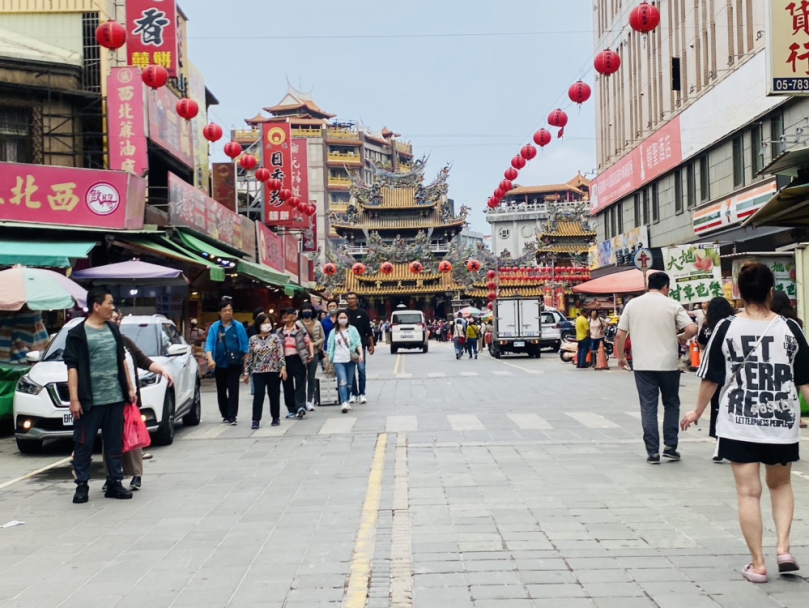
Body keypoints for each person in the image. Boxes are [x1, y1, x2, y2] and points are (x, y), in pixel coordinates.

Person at [681, 263, 809, 583]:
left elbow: (711, 378)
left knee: (748, 493)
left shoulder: (725, 327)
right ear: (770, 292)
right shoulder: (791, 329)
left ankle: (758, 563)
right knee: (780, 485)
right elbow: (806, 381)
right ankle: (783, 548)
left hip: (739, 421)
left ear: (738, 292)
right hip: (781, 421)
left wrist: (696, 412)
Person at [64, 287, 137, 504]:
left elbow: (122, 359)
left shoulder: (113, 330)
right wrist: (74, 399)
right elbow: (72, 368)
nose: (113, 308)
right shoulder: (76, 334)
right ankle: (82, 485)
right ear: (96, 306)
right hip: (89, 401)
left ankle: (114, 482)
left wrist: (130, 388)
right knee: (83, 444)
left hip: (115, 398)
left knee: (114, 443)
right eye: (109, 303)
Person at [616, 272, 697, 464]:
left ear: (648, 285)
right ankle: (670, 446)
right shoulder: (672, 304)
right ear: (665, 287)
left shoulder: (633, 304)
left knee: (648, 408)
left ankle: (652, 452)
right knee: (671, 403)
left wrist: (621, 357)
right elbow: (692, 329)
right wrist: (682, 338)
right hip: (668, 364)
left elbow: (620, 334)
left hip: (643, 365)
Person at [109, 308, 173, 490]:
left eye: (118, 318)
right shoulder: (102, 343)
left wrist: (162, 370)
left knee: (133, 436)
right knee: (111, 439)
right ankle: (112, 476)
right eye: (113, 318)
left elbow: (143, 360)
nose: (117, 322)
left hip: (131, 399)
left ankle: (136, 474)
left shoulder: (126, 342)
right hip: (111, 399)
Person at [696, 296, 736, 460]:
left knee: (718, 406)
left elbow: (701, 343)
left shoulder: (708, 326)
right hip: (734, 372)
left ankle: (719, 443)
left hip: (715, 371)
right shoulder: (734, 324)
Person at [205, 300, 249, 426]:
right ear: (220, 313)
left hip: (235, 364)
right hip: (219, 364)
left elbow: (246, 347)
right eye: (225, 311)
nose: (228, 313)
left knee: (234, 389)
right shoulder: (215, 327)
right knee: (221, 390)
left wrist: (246, 368)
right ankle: (224, 414)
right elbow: (209, 343)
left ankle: (232, 416)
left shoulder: (238, 327)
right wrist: (210, 358)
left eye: (230, 310)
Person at [244, 316, 286, 429]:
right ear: (259, 325)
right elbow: (249, 356)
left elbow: (280, 353)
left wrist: (283, 368)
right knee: (258, 395)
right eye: (264, 322)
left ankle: (275, 417)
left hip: (273, 370)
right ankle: (256, 419)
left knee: (274, 394)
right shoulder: (253, 339)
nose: (267, 325)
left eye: (268, 322)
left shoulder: (275, 338)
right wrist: (246, 372)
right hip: (258, 371)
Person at [277, 307, 315, 419]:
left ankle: (300, 407)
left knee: (300, 384)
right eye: (284, 314)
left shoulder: (300, 330)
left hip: (298, 359)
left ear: (294, 317)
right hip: (285, 361)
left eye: (288, 314)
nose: (285, 316)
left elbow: (309, 343)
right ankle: (291, 409)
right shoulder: (279, 331)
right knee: (287, 385)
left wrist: (311, 354)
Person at [326, 310, 364, 413]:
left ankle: (347, 398)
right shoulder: (333, 332)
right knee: (342, 381)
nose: (342, 319)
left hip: (350, 359)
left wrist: (361, 354)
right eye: (340, 318)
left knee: (349, 383)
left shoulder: (352, 330)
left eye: (344, 317)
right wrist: (328, 361)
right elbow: (329, 347)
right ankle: (344, 401)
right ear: (337, 319)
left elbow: (357, 343)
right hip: (338, 360)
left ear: (347, 318)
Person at [346, 292, 374, 404]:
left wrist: (371, 345)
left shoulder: (362, 313)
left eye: (353, 298)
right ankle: (354, 393)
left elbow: (368, 329)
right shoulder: (344, 313)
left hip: (361, 345)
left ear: (357, 300)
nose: (351, 300)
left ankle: (362, 393)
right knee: (351, 371)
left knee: (361, 369)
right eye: (349, 299)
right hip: (347, 346)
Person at [299, 302, 324, 411]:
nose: (307, 311)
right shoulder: (298, 324)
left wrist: (314, 343)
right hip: (301, 354)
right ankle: (301, 401)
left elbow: (323, 337)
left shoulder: (318, 323)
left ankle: (310, 400)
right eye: (304, 309)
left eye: (309, 309)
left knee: (311, 377)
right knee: (302, 378)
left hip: (315, 353)